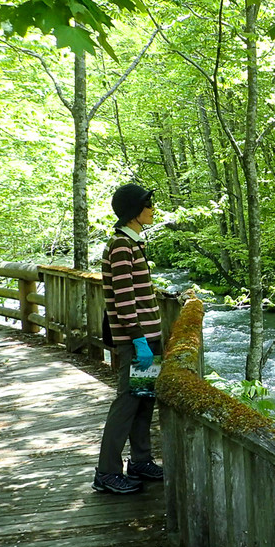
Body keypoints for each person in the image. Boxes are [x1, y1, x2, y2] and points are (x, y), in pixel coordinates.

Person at [93, 182, 164, 494]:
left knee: (143, 402)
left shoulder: (133, 243)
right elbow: (123, 300)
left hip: (147, 337)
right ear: (135, 212)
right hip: (139, 341)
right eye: (148, 205)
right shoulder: (122, 246)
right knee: (126, 404)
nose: (152, 209)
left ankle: (140, 461)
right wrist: (138, 340)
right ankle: (106, 472)